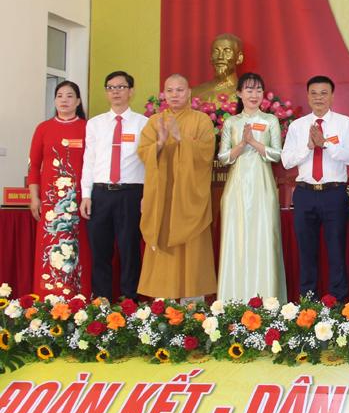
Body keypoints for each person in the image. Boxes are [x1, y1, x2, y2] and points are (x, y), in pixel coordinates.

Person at [137, 74, 217, 300]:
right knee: (163, 240)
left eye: (179, 90)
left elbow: (206, 153)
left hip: (189, 197)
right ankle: (162, 301)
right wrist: (160, 142)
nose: (174, 95)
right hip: (162, 197)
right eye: (170, 90)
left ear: (189, 92)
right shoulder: (155, 122)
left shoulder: (201, 120)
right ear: (164, 94)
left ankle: (193, 300)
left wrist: (181, 138)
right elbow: (143, 153)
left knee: (192, 247)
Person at [280, 75, 349, 301]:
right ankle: (308, 304)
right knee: (306, 253)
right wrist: (308, 146)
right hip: (305, 193)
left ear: (332, 96)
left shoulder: (344, 123)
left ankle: (339, 304)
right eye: (314, 93)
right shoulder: (297, 126)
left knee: (336, 252)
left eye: (324, 93)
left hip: (334, 194)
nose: (318, 98)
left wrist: (326, 144)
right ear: (307, 96)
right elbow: (287, 161)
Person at [217, 72, 286, 302]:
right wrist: (241, 144)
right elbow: (223, 158)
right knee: (236, 240)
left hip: (262, 186)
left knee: (263, 239)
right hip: (236, 187)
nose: (254, 94)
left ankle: (266, 300)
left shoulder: (270, 120)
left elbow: (277, 155)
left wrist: (254, 142)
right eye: (249, 90)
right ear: (239, 93)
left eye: (258, 90)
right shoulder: (231, 122)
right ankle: (233, 300)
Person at [80, 71, 148, 300]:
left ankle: (130, 302)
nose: (115, 91)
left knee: (130, 250)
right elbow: (89, 160)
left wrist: (147, 195)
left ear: (131, 91)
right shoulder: (95, 124)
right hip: (100, 194)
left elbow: (150, 163)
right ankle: (101, 301)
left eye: (121, 87)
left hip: (131, 194)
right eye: (111, 87)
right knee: (100, 251)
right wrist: (86, 194)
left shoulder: (144, 123)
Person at [27, 80, 91, 297]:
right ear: (54, 100)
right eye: (60, 96)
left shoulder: (87, 128)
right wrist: (34, 198)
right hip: (51, 204)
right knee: (50, 248)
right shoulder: (43, 128)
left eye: (70, 96)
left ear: (78, 101)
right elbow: (34, 166)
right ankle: (48, 300)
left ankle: (78, 299)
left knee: (79, 250)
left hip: (80, 202)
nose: (64, 100)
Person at [191, 33, 244, 105]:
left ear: (239, 58)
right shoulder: (196, 93)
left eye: (227, 51)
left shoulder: (247, 94)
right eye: (216, 51)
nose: (220, 57)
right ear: (211, 57)